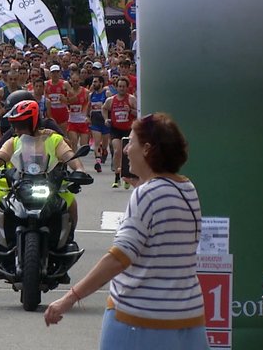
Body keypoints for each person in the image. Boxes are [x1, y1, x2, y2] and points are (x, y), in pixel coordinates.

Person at [44, 113, 207, 350]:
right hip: (188, 318)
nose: (127, 149)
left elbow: (118, 258)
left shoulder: (146, 195)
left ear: (147, 150)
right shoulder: (186, 188)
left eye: (131, 142)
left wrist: (69, 299)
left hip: (140, 320)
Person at [0, 100, 83, 277]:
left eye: (21, 125)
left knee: (70, 203)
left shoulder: (54, 139)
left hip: (49, 184)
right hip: (19, 184)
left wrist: (80, 170)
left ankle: (65, 244)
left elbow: (69, 156)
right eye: (15, 125)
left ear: (33, 122)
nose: (17, 129)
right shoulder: (14, 141)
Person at [103, 76, 137, 189]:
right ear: (116, 87)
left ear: (127, 88)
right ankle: (117, 177)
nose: (121, 88)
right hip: (115, 129)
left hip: (128, 129)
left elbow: (139, 113)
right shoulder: (111, 100)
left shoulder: (131, 99)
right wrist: (106, 119)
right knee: (117, 151)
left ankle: (127, 176)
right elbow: (104, 108)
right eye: (119, 86)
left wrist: (131, 111)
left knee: (127, 153)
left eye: (123, 86)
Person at [89, 75, 111, 173]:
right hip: (95, 121)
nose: (94, 84)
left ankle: (104, 152)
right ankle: (97, 162)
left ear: (101, 83)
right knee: (97, 142)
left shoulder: (106, 93)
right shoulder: (91, 95)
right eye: (93, 82)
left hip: (105, 121)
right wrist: (87, 117)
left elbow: (111, 105)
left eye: (96, 82)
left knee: (105, 145)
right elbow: (89, 107)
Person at [65, 71, 90, 151]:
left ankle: (80, 162)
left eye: (77, 81)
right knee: (73, 143)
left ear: (80, 81)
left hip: (83, 121)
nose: (75, 83)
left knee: (83, 146)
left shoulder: (86, 92)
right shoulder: (68, 92)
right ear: (71, 81)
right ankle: (74, 161)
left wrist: (88, 117)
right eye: (73, 81)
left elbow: (90, 106)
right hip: (72, 121)